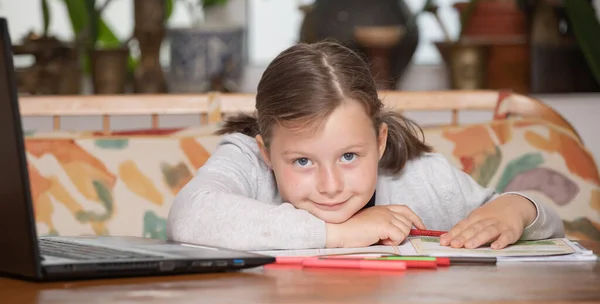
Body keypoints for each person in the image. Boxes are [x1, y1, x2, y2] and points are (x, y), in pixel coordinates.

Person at [167, 41, 564, 251]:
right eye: (303, 160)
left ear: (380, 140)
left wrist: (519, 208)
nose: (330, 185)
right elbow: (188, 216)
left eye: (349, 156)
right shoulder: (247, 160)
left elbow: (540, 225)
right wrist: (337, 233)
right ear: (267, 152)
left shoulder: (421, 179)